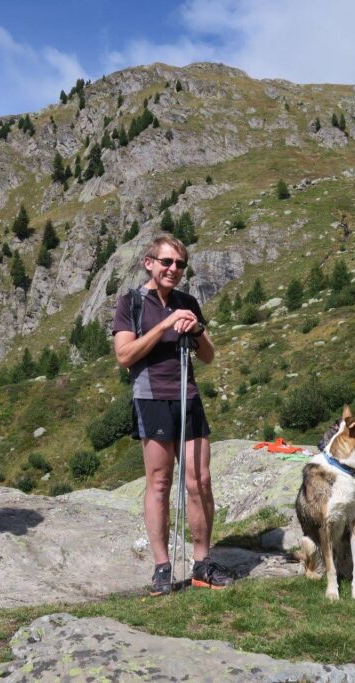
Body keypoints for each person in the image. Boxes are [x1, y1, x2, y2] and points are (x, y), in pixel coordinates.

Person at [112, 235, 234, 595]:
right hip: (151, 398)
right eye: (166, 262)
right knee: (160, 483)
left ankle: (202, 563)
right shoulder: (131, 303)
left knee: (200, 481)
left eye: (180, 264)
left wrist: (196, 329)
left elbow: (209, 356)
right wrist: (165, 326)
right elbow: (125, 356)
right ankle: (162, 567)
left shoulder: (187, 302)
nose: (174, 270)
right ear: (148, 263)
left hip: (188, 397)